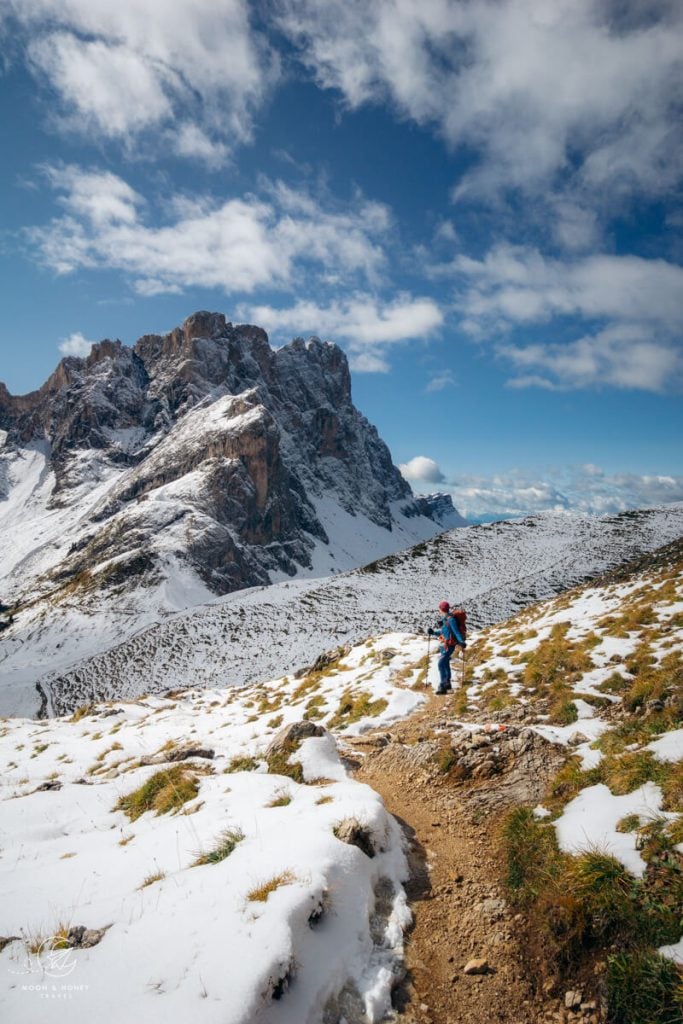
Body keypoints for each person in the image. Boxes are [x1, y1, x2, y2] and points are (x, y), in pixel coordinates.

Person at [428, 600, 465, 694]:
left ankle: (443, 686)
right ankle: (447, 683)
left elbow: (456, 631)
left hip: (449, 646)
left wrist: (461, 642)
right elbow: (443, 632)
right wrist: (433, 633)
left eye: (439, 609)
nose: (439, 610)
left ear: (441, 609)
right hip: (444, 645)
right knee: (445, 663)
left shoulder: (450, 620)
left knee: (440, 663)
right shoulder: (446, 619)